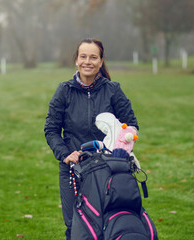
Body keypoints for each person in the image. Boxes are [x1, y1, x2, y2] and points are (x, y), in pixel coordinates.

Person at [44, 38, 139, 240]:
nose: (88, 61)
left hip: (107, 168)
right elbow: (51, 129)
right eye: (83, 56)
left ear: (101, 61)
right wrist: (66, 154)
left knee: (106, 223)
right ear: (76, 60)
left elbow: (131, 126)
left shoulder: (113, 90)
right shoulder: (64, 91)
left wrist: (119, 150)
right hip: (74, 170)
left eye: (93, 57)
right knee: (74, 227)